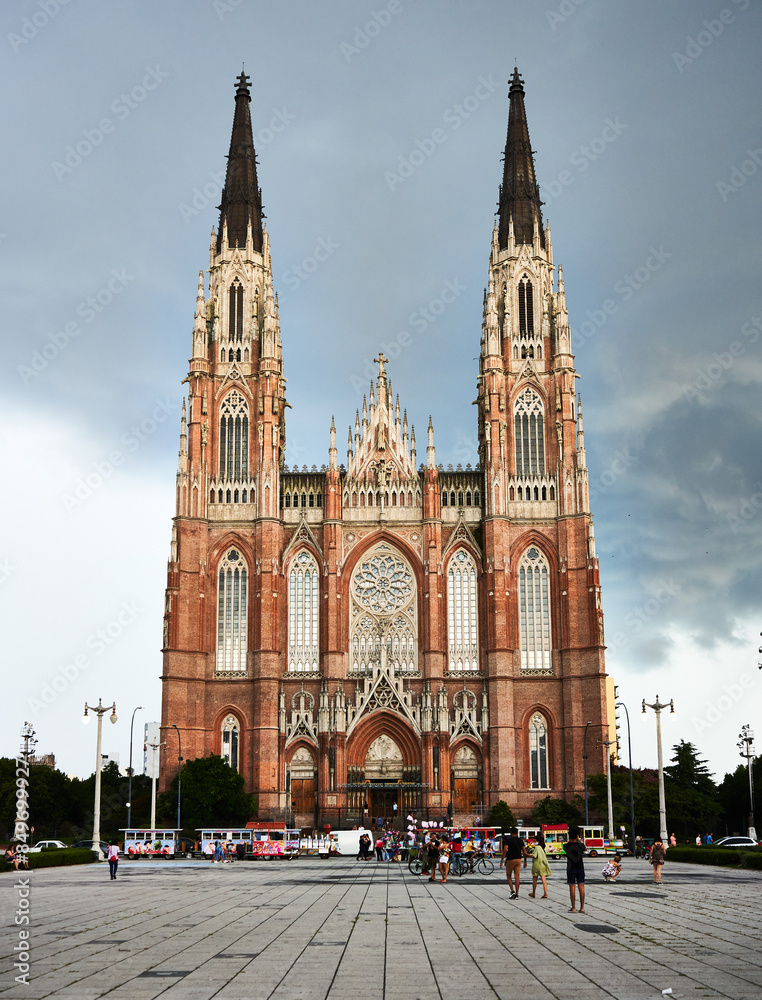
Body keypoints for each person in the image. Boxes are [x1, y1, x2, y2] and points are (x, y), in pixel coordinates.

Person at [500, 826, 529, 899]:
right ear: (517, 833)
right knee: (517, 877)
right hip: (518, 859)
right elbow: (524, 852)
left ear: (511, 833)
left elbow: (505, 850)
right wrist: (525, 861)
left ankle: (512, 891)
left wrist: (502, 860)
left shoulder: (508, 840)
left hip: (510, 859)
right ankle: (517, 894)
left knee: (508, 875)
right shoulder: (520, 841)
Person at [565, 827, 586, 913]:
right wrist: (579, 840)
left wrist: (571, 839)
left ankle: (573, 907)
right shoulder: (580, 846)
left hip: (570, 868)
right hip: (580, 867)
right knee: (581, 887)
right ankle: (582, 907)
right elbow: (585, 848)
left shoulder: (566, 846)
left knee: (572, 887)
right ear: (577, 836)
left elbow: (567, 845)